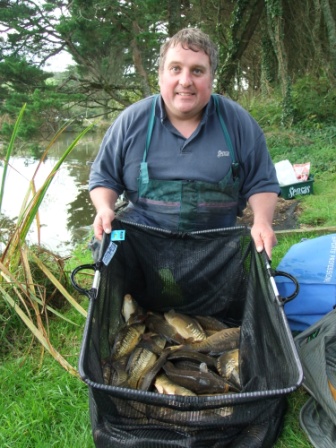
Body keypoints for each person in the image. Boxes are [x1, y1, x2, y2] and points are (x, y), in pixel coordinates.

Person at [89, 28, 280, 258]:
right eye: (175, 69)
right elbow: (103, 177)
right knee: (106, 245)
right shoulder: (131, 121)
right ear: (160, 76)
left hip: (217, 246)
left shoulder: (238, 122)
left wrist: (262, 222)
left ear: (211, 79)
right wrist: (104, 208)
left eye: (197, 71)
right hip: (144, 245)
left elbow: (262, 182)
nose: (185, 81)